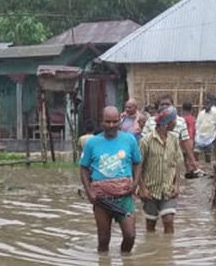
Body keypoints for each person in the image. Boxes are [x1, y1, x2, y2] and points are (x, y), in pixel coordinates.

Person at [80, 106, 143, 253]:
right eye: (107, 122)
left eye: (115, 122)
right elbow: (83, 168)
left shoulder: (129, 140)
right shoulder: (92, 143)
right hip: (101, 200)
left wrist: (135, 184)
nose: (111, 125)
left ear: (119, 121)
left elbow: (138, 162)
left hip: (125, 197)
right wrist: (89, 192)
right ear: (102, 122)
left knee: (130, 236)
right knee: (103, 240)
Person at [138, 106, 182, 234]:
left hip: (168, 189)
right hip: (150, 190)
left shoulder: (174, 139)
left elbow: (177, 163)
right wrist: (142, 188)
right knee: (150, 225)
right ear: (167, 123)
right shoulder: (146, 141)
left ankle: (167, 251)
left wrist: (176, 184)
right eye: (174, 120)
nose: (176, 123)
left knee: (168, 220)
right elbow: (138, 166)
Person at [148, 94, 203, 177]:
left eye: (167, 104)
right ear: (158, 107)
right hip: (153, 161)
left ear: (172, 106)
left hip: (172, 161)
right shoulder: (151, 121)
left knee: (172, 183)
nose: (165, 106)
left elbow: (185, 141)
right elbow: (143, 141)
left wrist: (192, 161)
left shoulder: (180, 121)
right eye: (162, 104)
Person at [195, 99, 216, 164]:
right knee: (196, 152)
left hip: (210, 136)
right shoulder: (201, 113)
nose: (206, 106)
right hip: (200, 136)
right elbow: (198, 124)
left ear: (210, 105)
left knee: (208, 154)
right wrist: (197, 133)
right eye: (205, 105)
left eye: (208, 105)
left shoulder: (215, 114)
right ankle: (196, 165)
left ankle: (207, 165)